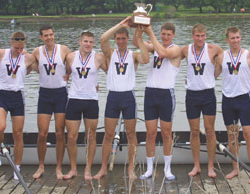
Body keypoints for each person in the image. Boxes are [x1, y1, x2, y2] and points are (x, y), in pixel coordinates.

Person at [93, 17, 149, 180]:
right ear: (115, 40)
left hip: (128, 97)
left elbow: (146, 59)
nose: (121, 41)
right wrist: (121, 25)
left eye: (124, 38)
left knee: (131, 134)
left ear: (127, 39)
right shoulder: (110, 53)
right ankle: (103, 168)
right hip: (113, 97)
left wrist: (139, 37)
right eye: (118, 39)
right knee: (108, 134)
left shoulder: (134, 55)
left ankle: (131, 169)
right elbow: (103, 38)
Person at [216, 26, 250, 184]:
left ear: (240, 38)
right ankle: (236, 168)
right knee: (232, 136)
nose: (235, 40)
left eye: (238, 37)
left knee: (249, 135)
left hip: (244, 99)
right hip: (228, 99)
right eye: (232, 38)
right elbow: (212, 75)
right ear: (227, 40)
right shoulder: (222, 56)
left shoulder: (249, 56)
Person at [137, 23, 182, 180]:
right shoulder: (154, 45)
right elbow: (138, 43)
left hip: (166, 95)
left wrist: (150, 34)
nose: (165, 37)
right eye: (163, 34)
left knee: (166, 133)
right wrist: (139, 28)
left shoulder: (177, 49)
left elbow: (163, 52)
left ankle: (167, 169)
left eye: (168, 34)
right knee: (150, 133)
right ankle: (149, 169)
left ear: (173, 35)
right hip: (150, 93)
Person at [63, 31, 107, 180]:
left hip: (91, 100)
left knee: (91, 136)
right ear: (80, 42)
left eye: (90, 42)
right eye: (85, 41)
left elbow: (112, 72)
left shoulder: (99, 57)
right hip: (74, 99)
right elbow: (67, 73)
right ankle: (73, 169)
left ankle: (88, 168)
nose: (88, 44)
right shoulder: (70, 57)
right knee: (71, 137)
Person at [0, 32, 35, 180]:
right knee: (0, 127)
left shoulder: (28, 57)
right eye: (16, 47)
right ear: (11, 43)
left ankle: (17, 166)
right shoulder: (0, 53)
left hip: (17, 96)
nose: (18, 50)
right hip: (2, 94)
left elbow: (34, 68)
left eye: (21, 47)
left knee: (18, 134)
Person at [180, 24, 222, 178]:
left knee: (210, 131)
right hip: (191, 95)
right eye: (197, 36)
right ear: (192, 36)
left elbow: (226, 62)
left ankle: (210, 166)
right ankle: (196, 165)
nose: (200, 39)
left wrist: (212, 77)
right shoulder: (185, 50)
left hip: (208, 94)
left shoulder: (214, 49)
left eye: (202, 36)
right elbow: (168, 54)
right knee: (195, 131)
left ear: (206, 36)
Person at [31, 25, 71, 180]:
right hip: (45, 94)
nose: (49, 38)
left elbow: (74, 64)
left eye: (51, 34)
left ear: (54, 35)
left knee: (60, 133)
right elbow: (26, 64)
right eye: (46, 35)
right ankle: (41, 166)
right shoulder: (36, 51)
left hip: (60, 93)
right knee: (42, 133)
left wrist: (69, 73)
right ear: (41, 37)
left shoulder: (64, 49)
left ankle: (59, 167)